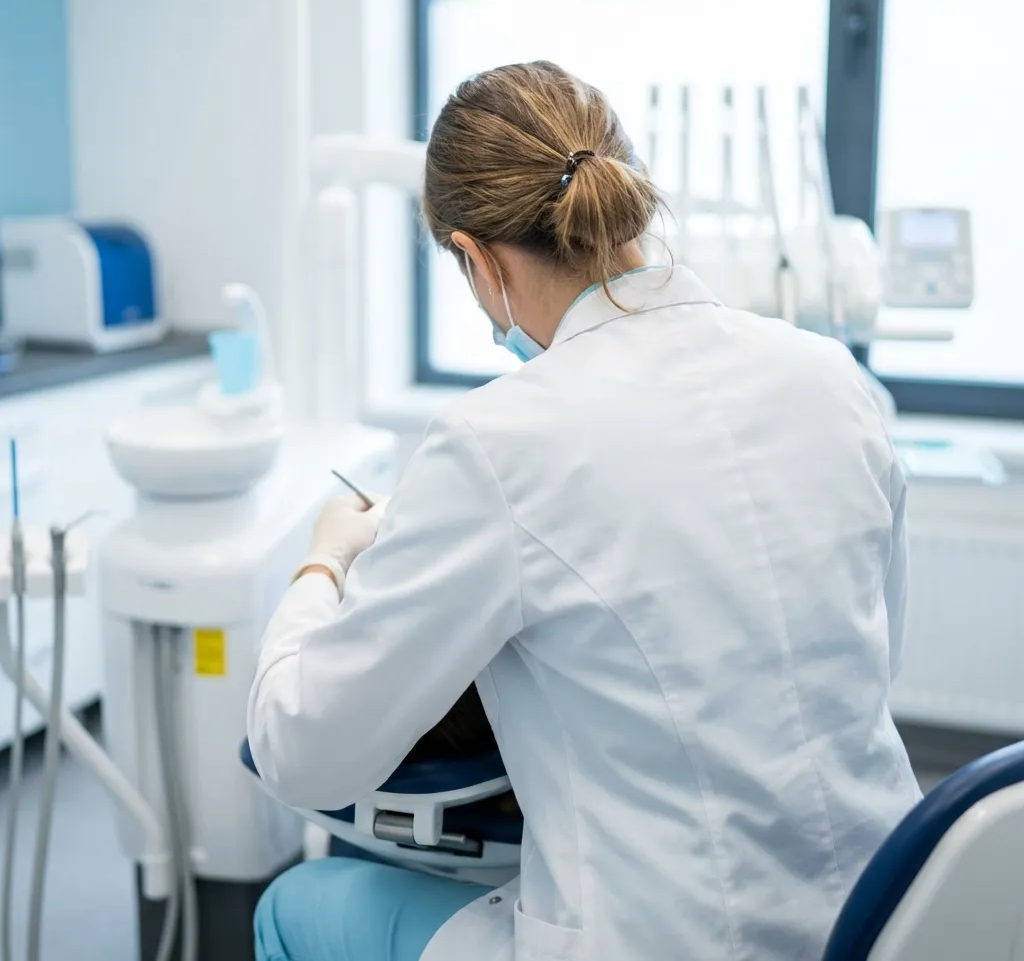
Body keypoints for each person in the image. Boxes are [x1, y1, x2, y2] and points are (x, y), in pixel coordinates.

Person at [247, 60, 921, 961]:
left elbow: (301, 754)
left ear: (477, 259)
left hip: (670, 942)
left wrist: (323, 560)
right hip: (891, 917)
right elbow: (873, 652)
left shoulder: (498, 441)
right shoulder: (832, 377)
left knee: (298, 904)